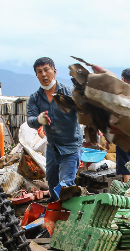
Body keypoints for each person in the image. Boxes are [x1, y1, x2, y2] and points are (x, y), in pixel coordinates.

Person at [27, 57, 83, 202]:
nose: (44, 74)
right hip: (53, 147)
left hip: (71, 146)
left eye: (46, 70)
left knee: (65, 184)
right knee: (52, 183)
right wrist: (39, 120)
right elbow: (30, 121)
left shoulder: (69, 93)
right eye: (40, 72)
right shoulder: (35, 98)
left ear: (54, 71)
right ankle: (54, 212)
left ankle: (65, 214)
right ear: (36, 75)